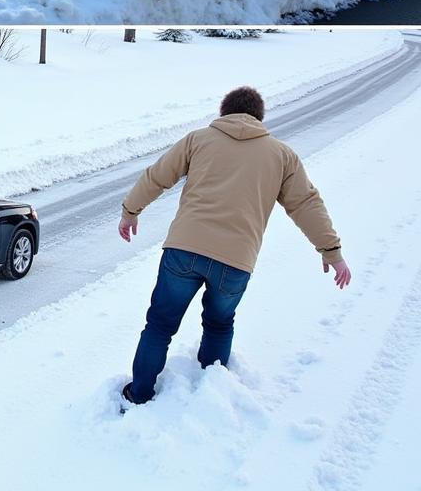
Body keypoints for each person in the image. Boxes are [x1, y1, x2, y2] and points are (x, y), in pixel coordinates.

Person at [118, 85, 351, 405]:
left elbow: (157, 176)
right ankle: (208, 398)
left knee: (159, 324)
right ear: (259, 117)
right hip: (236, 262)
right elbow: (305, 204)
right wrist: (331, 251)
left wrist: (130, 212)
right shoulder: (282, 156)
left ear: (223, 112)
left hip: (184, 250)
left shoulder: (197, 140)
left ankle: (139, 394)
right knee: (218, 324)